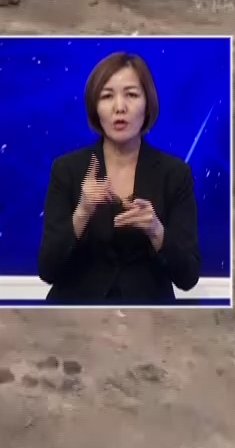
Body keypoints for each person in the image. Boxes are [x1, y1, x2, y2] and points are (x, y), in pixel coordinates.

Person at [36, 51, 201, 304]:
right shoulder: (67, 169)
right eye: (107, 96)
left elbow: (188, 277)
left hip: (149, 318)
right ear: (95, 107)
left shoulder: (175, 173)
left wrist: (156, 230)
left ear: (148, 105)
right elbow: (47, 270)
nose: (119, 107)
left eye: (131, 95)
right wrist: (82, 212)